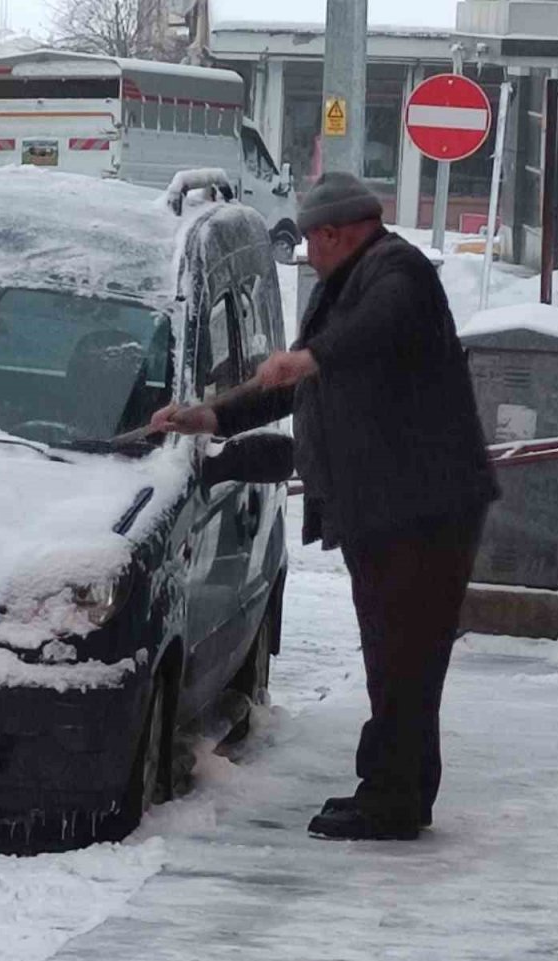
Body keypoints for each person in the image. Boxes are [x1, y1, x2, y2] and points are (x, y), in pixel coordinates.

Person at [151, 172, 499, 841]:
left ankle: (391, 799)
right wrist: (207, 417)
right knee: (397, 655)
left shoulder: (397, 274)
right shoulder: (347, 286)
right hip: (389, 509)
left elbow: (370, 334)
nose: (308, 255)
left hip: (422, 511)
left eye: (312, 243)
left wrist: (310, 357)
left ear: (336, 232)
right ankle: (398, 791)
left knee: (404, 655)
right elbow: (288, 389)